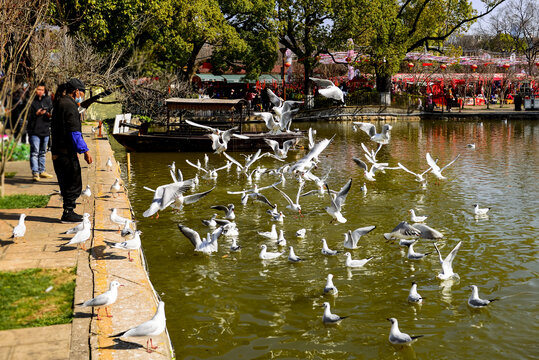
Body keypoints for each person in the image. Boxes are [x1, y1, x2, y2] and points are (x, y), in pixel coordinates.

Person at [50, 78, 93, 223]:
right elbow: (74, 132)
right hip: (65, 152)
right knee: (73, 181)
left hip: (57, 150)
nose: (83, 96)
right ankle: (68, 213)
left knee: (65, 181)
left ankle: (68, 211)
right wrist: (85, 150)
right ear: (76, 91)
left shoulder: (60, 102)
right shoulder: (69, 105)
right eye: (82, 93)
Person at [27, 83, 53, 181]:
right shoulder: (31, 102)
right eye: (38, 89)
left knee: (43, 152)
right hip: (34, 131)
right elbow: (27, 116)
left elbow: (50, 110)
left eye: (42, 90)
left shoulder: (47, 100)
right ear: (35, 90)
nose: (40, 91)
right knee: (35, 152)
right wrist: (36, 114)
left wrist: (48, 114)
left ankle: (42, 171)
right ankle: (35, 172)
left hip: (45, 130)